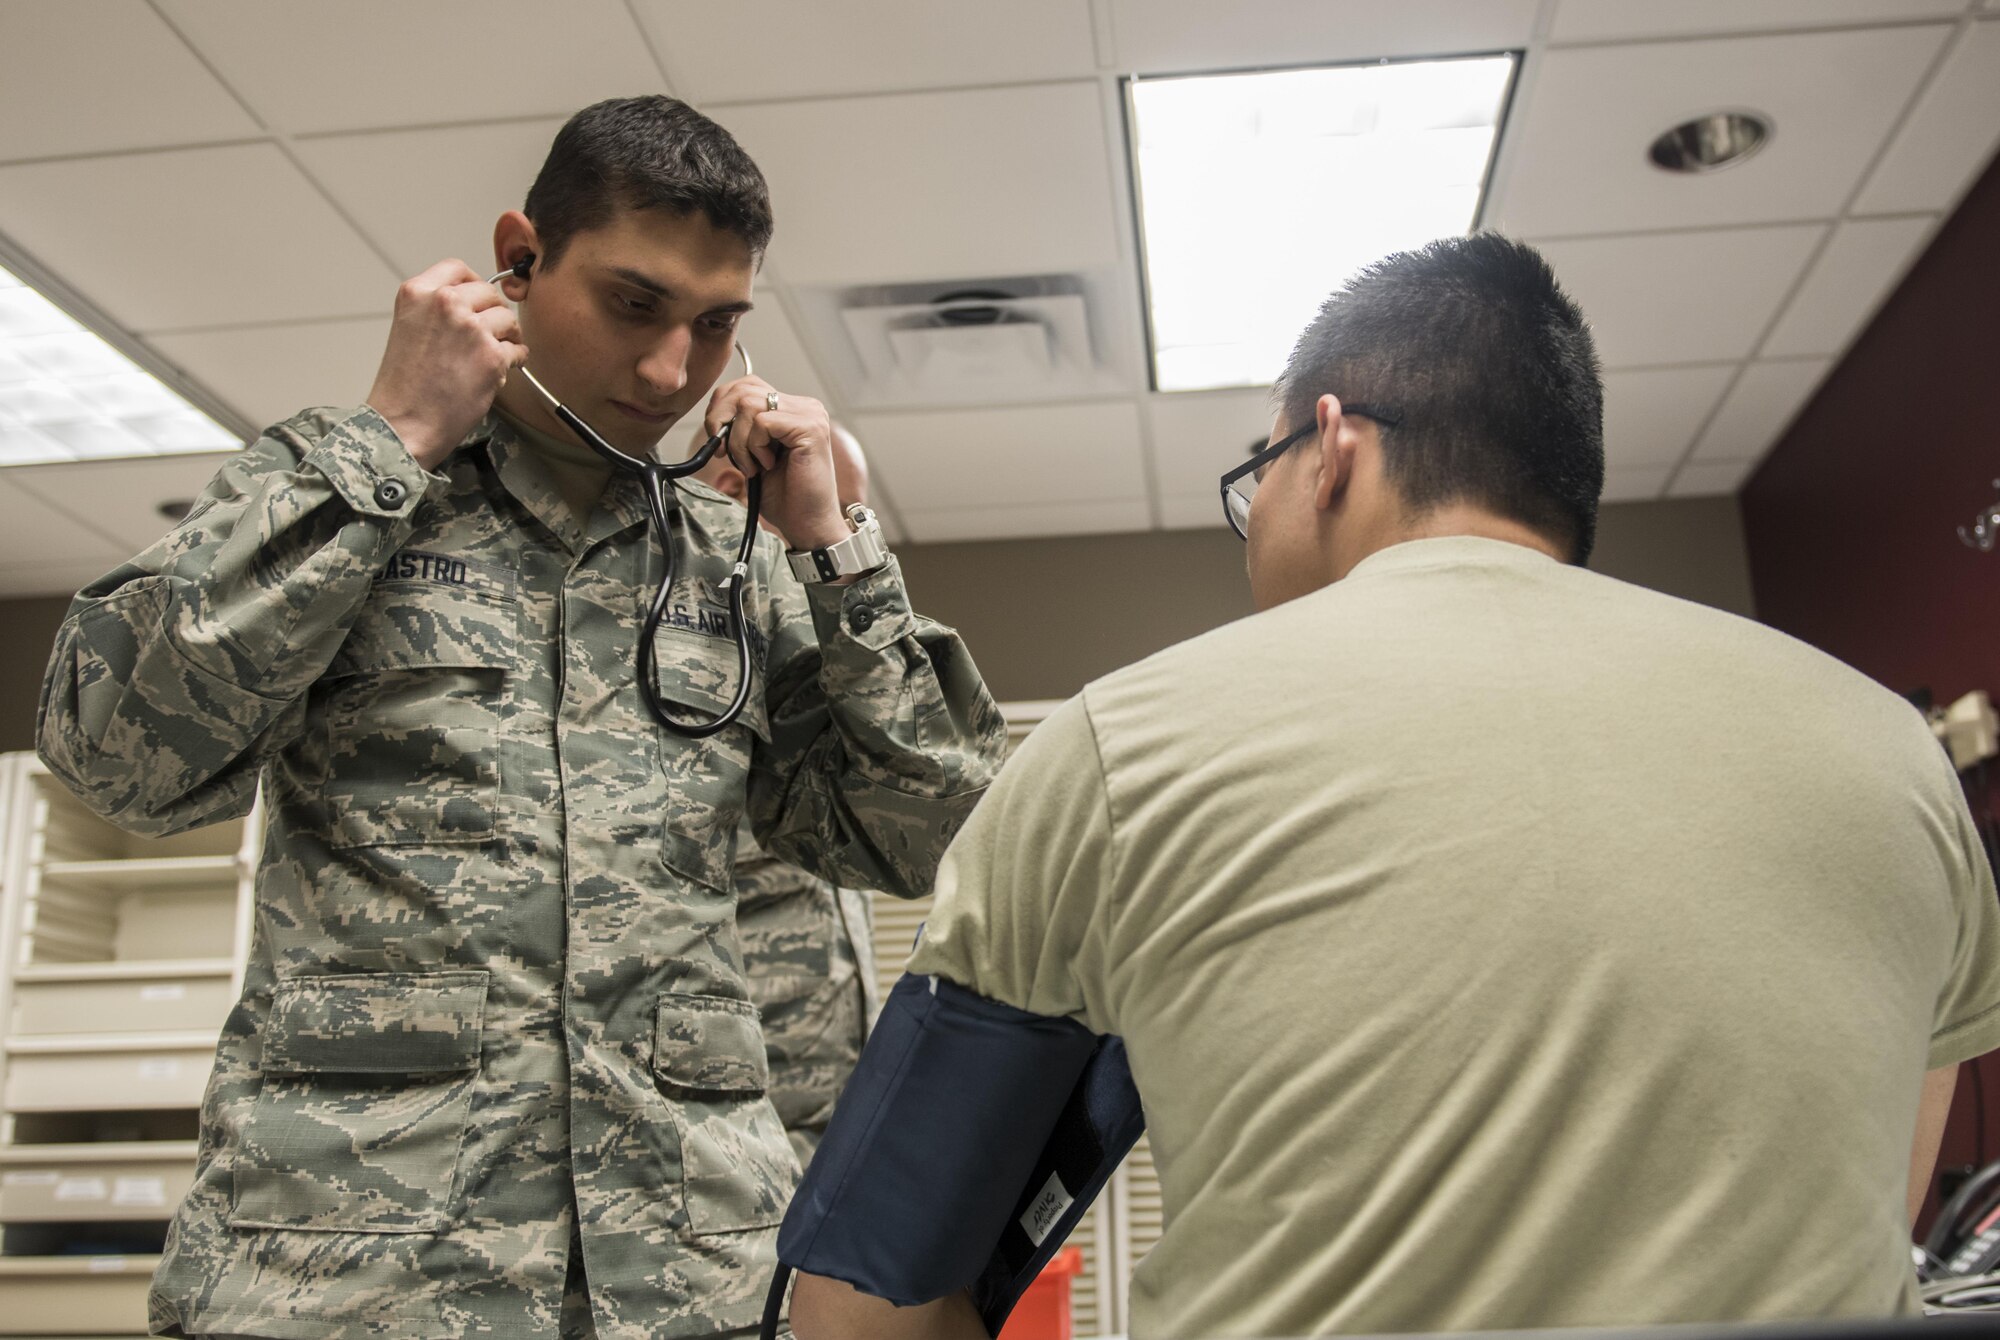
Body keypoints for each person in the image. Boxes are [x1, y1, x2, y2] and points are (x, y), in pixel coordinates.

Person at [788, 233, 2000, 1340]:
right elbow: (1878, 1208)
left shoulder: (1119, 744)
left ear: (1331, 448)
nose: (1250, 516)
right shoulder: (1890, 753)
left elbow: (868, 1292)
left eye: (1251, 474)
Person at [35, 95, 1005, 1340]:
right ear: (518, 259)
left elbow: (924, 835)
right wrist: (391, 438)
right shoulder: (348, 495)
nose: (670, 370)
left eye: (717, 325)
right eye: (633, 302)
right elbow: (113, 753)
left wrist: (837, 550)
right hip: (354, 1273)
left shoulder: (737, 554)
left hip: (683, 1278)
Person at [696, 424, 884, 1167]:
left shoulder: (803, 667)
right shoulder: (675, 671)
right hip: (729, 1130)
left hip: (830, 1129)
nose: (838, 536)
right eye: (829, 509)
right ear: (736, 493)